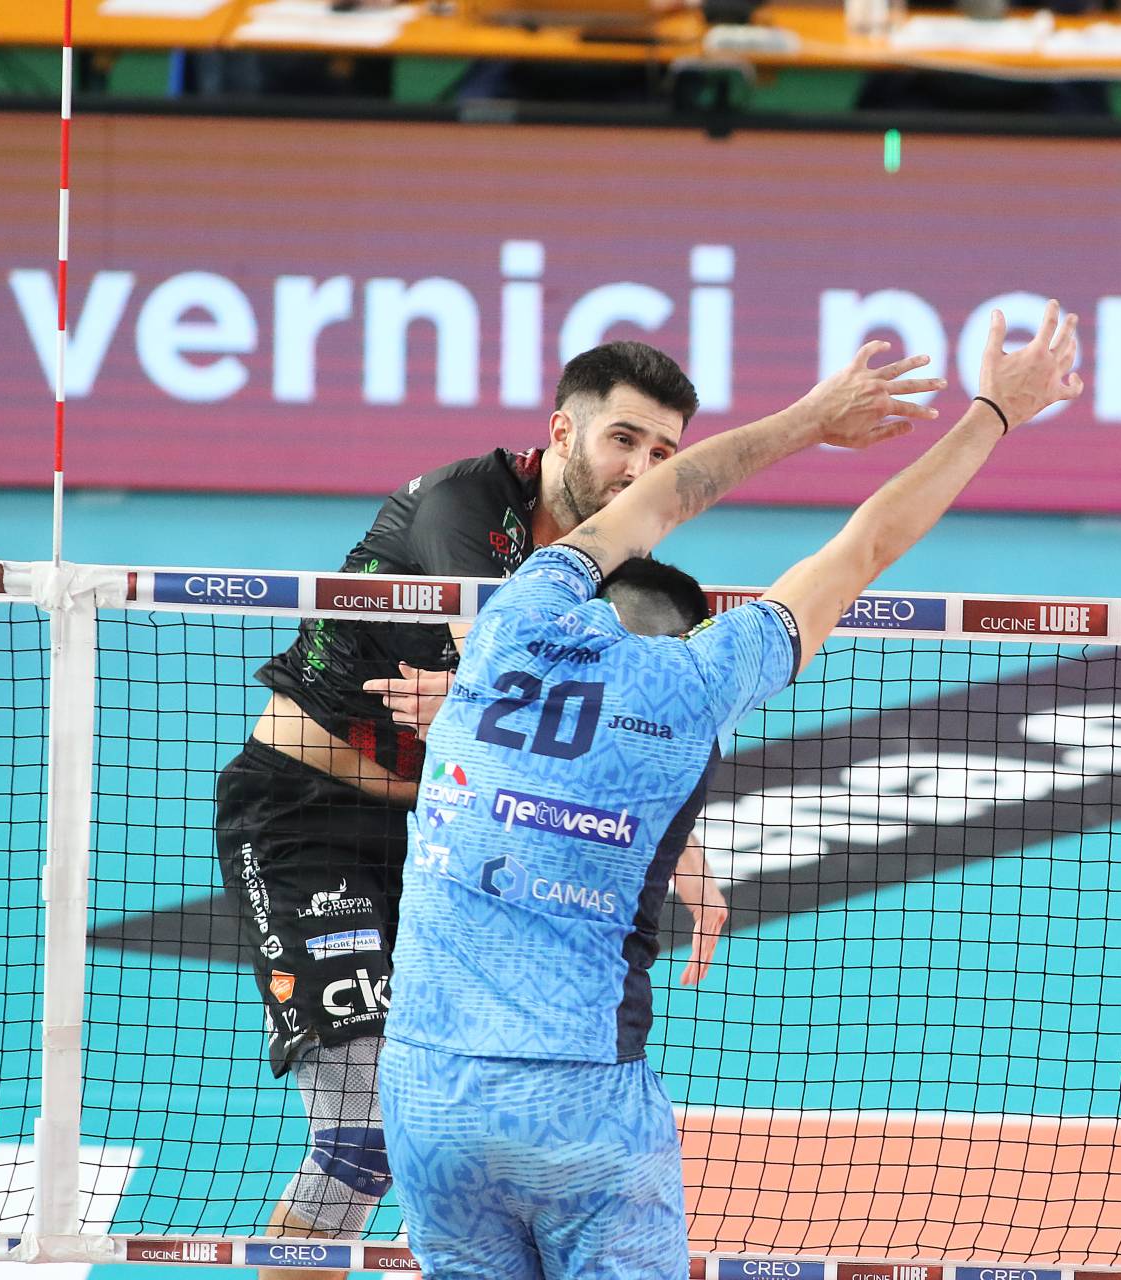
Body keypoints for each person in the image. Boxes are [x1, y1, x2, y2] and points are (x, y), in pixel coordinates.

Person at [378, 303, 1082, 1279]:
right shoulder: (699, 681)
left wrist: (805, 421)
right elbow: (865, 545)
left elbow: (659, 503)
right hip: (579, 1108)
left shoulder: (514, 617)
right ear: (693, 631)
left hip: (425, 1096)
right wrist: (992, 414)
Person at [212, 338, 942, 1275]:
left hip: (444, 835)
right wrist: (808, 421)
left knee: (437, 1124)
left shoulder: (601, 565)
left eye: (662, 452)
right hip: (307, 817)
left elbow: (582, 732)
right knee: (363, 1135)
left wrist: (672, 845)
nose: (641, 469)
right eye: (623, 440)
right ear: (563, 432)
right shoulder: (467, 513)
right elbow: (521, 697)